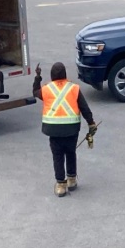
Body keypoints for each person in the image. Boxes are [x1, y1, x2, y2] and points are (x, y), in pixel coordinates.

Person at [33, 62, 97, 197]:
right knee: (71, 152)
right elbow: (84, 108)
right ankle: (72, 180)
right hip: (71, 130)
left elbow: (35, 92)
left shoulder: (46, 89)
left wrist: (37, 77)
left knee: (58, 156)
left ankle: (61, 185)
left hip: (53, 131)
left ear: (51, 75)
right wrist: (91, 123)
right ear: (65, 74)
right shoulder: (74, 88)